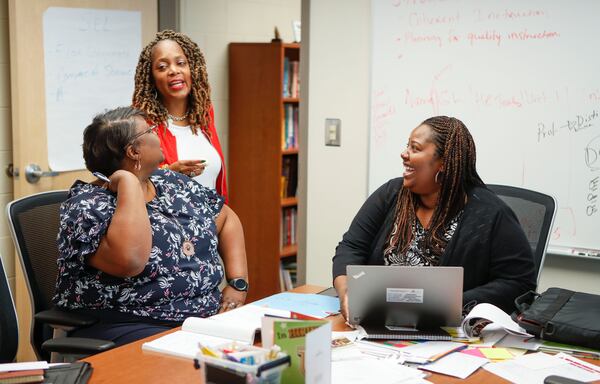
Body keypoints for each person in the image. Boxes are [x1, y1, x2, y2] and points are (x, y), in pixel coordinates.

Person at [53, 106, 248, 346]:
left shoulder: (170, 182)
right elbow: (131, 261)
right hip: (130, 324)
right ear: (134, 151)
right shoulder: (87, 207)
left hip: (204, 319)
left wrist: (238, 284)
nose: (158, 134)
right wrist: (128, 183)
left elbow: (227, 219)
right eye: (151, 130)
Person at [332, 116, 536, 319]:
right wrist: (347, 293)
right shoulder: (390, 194)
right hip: (378, 320)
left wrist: (451, 304)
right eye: (407, 146)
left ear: (444, 163)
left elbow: (518, 282)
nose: (404, 154)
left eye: (415, 148)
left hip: (450, 331)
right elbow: (351, 247)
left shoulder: (491, 213)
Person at [132, 30, 228, 202]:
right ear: (151, 78)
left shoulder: (203, 115)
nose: (173, 70)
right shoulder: (141, 124)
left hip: (211, 224)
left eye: (181, 63)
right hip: (168, 226)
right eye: (162, 67)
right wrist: (169, 174)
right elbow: (130, 183)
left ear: (192, 68)